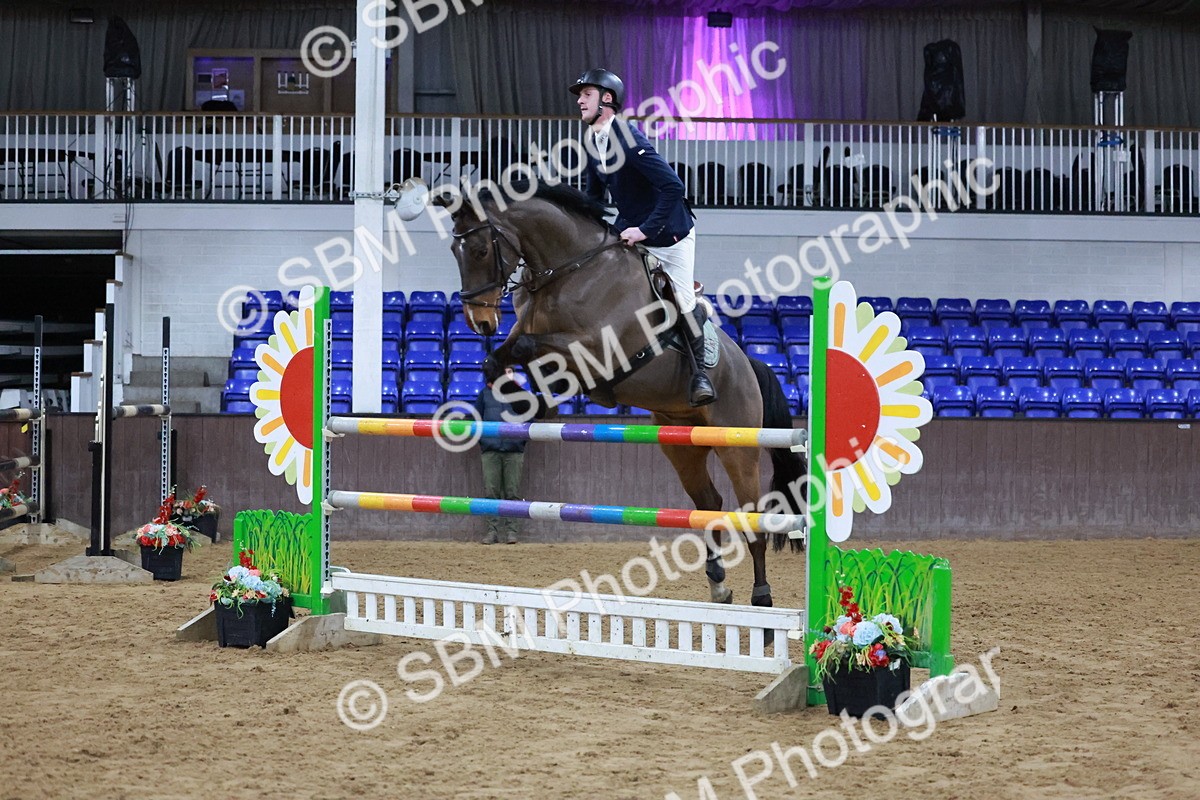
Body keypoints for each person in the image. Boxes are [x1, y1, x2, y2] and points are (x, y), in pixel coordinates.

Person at [569, 68, 716, 407]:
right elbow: (593, 198)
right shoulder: (592, 141)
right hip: (631, 227)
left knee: (683, 302)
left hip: (671, 234)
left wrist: (645, 230)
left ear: (607, 99)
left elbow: (673, 187)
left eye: (586, 95)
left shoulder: (629, 138)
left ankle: (700, 375)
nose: (579, 100)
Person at [474, 367, 527, 544]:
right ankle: (493, 531)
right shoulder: (485, 394)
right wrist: (484, 440)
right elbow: (475, 418)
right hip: (491, 449)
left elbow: (530, 418)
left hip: (513, 450)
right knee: (491, 493)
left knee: (512, 492)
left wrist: (520, 440)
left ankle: (511, 531)